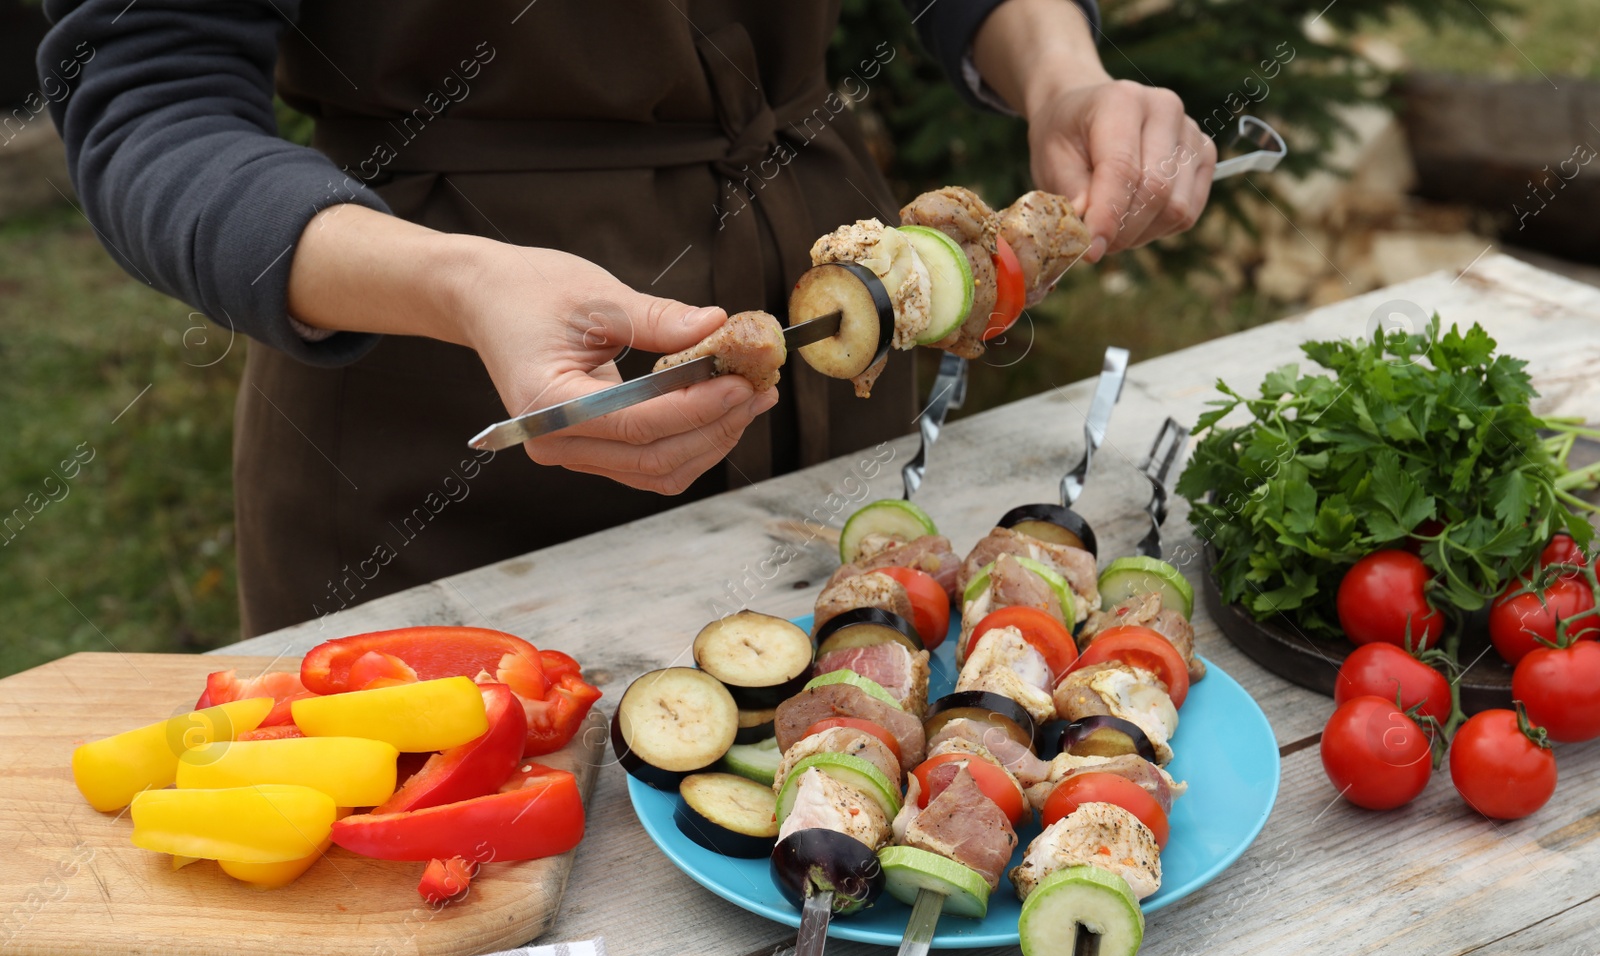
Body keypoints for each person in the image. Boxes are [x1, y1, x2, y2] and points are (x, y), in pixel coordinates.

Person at [39, 0, 1214, 635]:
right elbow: (149, 101)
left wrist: (1059, 68)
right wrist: (458, 284)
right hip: (436, 439)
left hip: (832, 405)